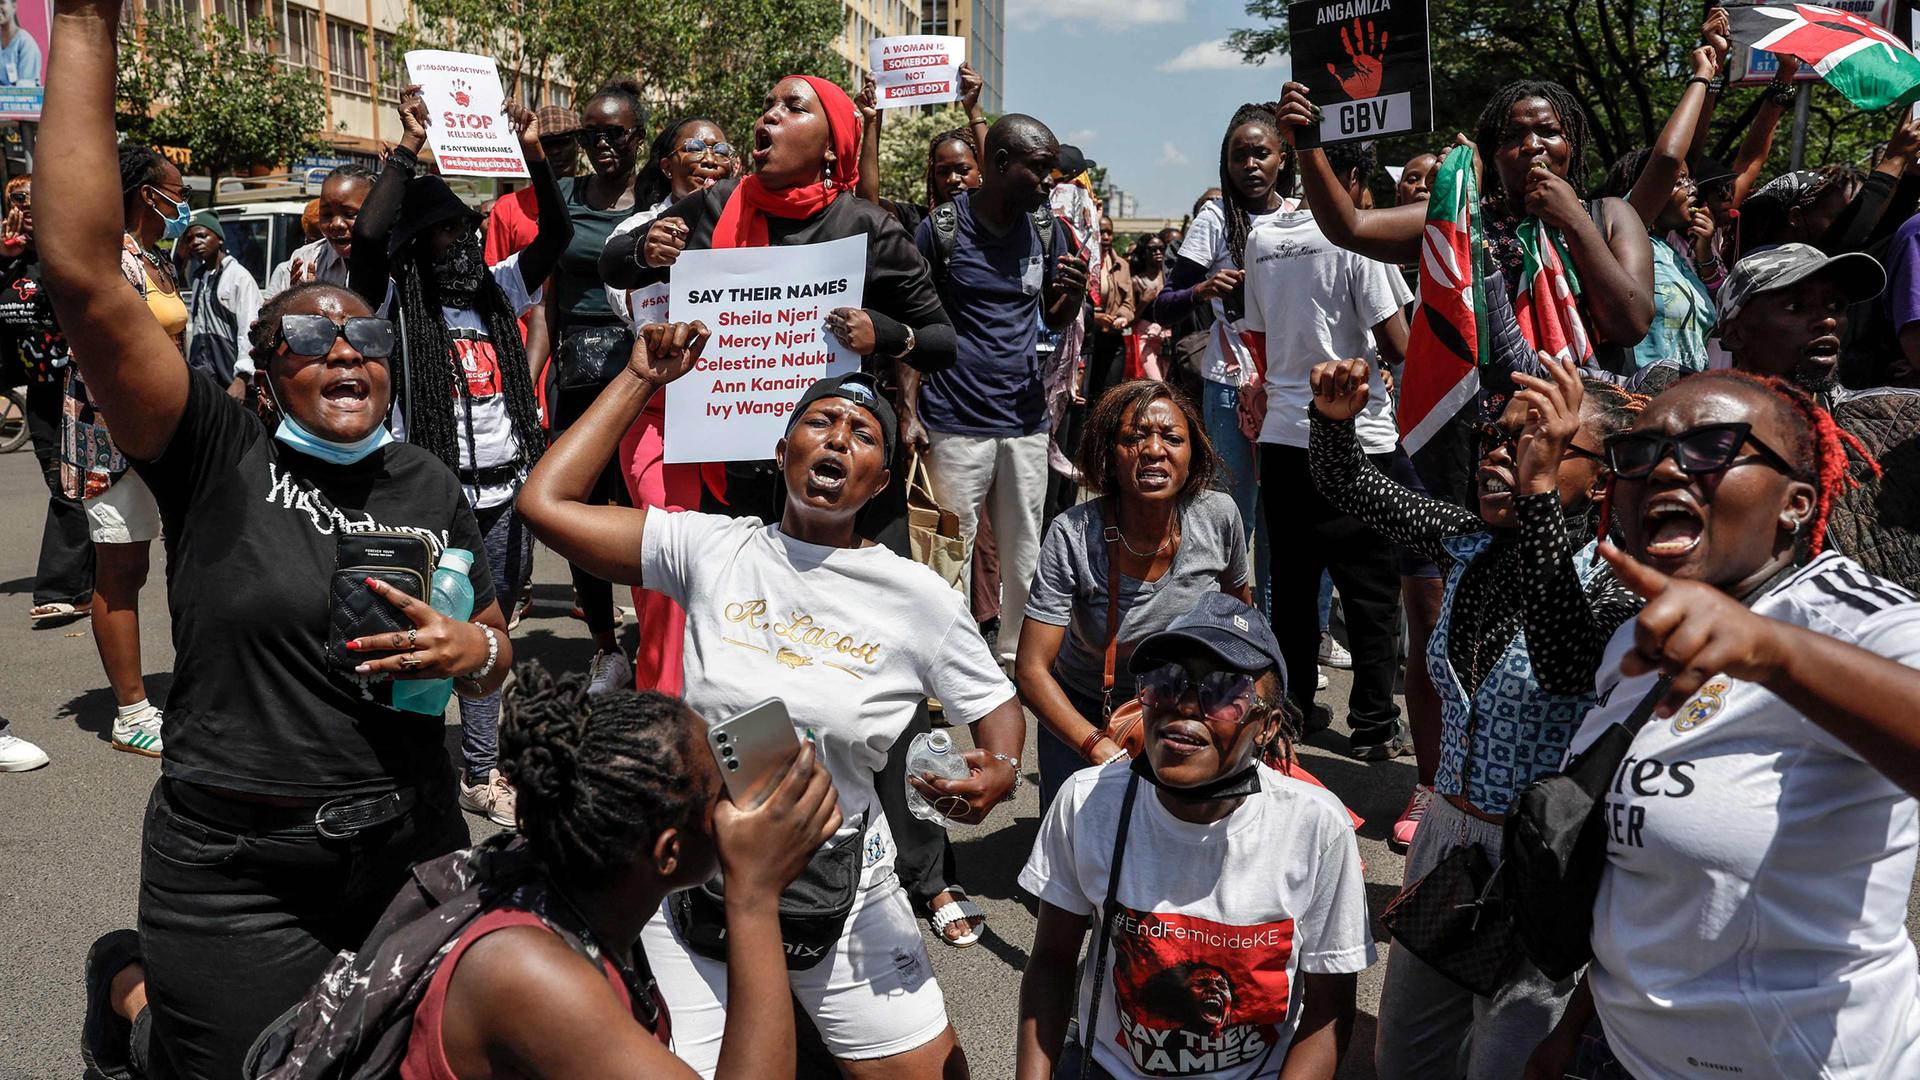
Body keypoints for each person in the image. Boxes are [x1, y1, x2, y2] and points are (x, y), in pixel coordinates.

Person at [47, 16, 520, 1080]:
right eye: (307, 336)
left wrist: (471, 655)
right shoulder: (216, 453)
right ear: (266, 376)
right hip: (235, 868)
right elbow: (83, 272)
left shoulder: (428, 483)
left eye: (361, 337)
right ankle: (131, 997)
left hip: (409, 846)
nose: (342, 347)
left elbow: (492, 635)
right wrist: (83, 22)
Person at [518, 322, 1025, 1080]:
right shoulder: (714, 548)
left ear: (880, 481)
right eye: (818, 423)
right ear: (783, 452)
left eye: (861, 434)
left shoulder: (917, 596)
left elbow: (993, 704)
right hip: (698, 870)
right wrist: (640, 380)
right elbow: (545, 504)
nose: (837, 439)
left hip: (842, 880)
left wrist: (1002, 769)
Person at [1524, 371, 1920, 1080]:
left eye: (1714, 446)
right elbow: (1648, 880)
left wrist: (1773, 654)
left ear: (1796, 503)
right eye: (1641, 453)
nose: (1668, 467)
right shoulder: (1638, 639)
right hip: (1621, 1056)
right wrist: (1574, 1034)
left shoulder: (1864, 628)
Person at [1310, 356, 1646, 1077]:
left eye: (1537, 444)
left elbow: (1562, 665)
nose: (1502, 454)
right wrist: (1333, 425)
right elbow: (1352, 486)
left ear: (1600, 477)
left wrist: (1536, 506)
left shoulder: (1619, 586)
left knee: (1506, 1059)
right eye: (1498, 437)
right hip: (1444, 843)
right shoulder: (1465, 539)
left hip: (1540, 860)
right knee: (1407, 1051)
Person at [393, 664, 843, 1080]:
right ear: (669, 852)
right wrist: (755, 894)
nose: (738, 800)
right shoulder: (528, 976)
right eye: (721, 791)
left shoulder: (577, 890)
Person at [1016, 593, 1373, 1080]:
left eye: (1225, 692)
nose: (1184, 705)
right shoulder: (1088, 802)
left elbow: (1328, 1012)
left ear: (1268, 726)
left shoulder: (1316, 827)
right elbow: (1053, 962)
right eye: (1166, 682)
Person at [598, 74, 958, 525]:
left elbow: (942, 343)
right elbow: (613, 264)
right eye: (769, 104)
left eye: (794, 107)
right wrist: (644, 248)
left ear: (831, 147)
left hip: (830, 476)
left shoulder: (869, 228)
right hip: (728, 463)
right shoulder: (715, 203)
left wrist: (883, 334)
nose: (771, 114)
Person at [347, 85, 563, 827]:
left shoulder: (498, 291)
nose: (462, 244)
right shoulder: (394, 303)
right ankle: (401, 765)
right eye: (442, 235)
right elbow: (370, 239)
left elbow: (556, 236)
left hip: (502, 495)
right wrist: (409, 149)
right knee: (410, 637)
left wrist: (532, 156)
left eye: (465, 232)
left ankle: (479, 770)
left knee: (487, 640)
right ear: (416, 249)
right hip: (429, 499)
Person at [1223, 116, 1415, 762]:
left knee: (1294, 584)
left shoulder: (1261, 238)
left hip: (1283, 434)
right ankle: (1371, 724)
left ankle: (1293, 709)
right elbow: (1398, 345)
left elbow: (1256, 333)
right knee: (1369, 587)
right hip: (1361, 432)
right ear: (1354, 178)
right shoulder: (1359, 243)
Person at [1277, 78, 1654, 382]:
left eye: (1548, 131)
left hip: (1592, 431)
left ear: (1571, 144)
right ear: (1491, 156)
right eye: (1512, 137)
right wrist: (1309, 145)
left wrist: (1572, 219)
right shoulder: (1464, 222)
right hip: (1493, 440)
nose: (1531, 146)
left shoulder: (1610, 215)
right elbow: (1350, 228)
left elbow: (1631, 325)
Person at [899, 114, 1089, 671]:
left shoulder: (1048, 229)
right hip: (954, 421)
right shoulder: (941, 229)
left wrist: (1071, 299)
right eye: (1039, 167)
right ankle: (947, 669)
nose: (1050, 179)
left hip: (1026, 422)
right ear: (1002, 165)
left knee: (1025, 554)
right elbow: (912, 327)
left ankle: (1019, 662)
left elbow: (1051, 322)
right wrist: (910, 412)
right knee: (946, 556)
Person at [1017, 379, 1249, 809]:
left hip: (1187, 706)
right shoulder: (1072, 534)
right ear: (1109, 455)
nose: (1154, 449)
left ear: (1192, 452)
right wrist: (1093, 744)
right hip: (1087, 711)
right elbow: (1031, 671)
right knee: (1081, 848)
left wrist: (1252, 717)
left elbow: (1243, 629)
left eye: (1172, 438)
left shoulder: (1219, 515)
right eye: (1134, 437)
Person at [66, 141, 190, 759]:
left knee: (155, 566)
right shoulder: (106, 258)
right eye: (177, 192)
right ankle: (131, 711)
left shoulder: (154, 256)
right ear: (148, 193)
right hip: (115, 441)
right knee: (120, 573)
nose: (183, 202)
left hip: (165, 435)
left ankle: (173, 691)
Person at [603, 115, 733, 697]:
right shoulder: (637, 230)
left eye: (720, 147)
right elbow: (618, 276)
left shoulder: (755, 229)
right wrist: (647, 250)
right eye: (695, 146)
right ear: (666, 163)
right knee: (669, 554)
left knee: (723, 570)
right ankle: (661, 703)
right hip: (659, 418)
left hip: (740, 420)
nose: (709, 154)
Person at [1152, 104, 1294, 625]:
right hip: (1230, 386)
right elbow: (1163, 305)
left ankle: (1286, 637)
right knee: (1229, 513)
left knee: (1283, 517)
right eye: (1240, 156)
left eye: (1262, 153)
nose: (1251, 165)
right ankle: (1218, 628)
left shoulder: (1302, 215)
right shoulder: (1215, 219)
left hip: (1290, 389)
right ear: (1225, 163)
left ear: (1283, 157)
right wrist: (1202, 288)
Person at [1600, 24, 1727, 373]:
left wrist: (1717, 69)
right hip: (1640, 409)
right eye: (1679, 182)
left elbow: (1683, 160)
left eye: (1690, 180)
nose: (1692, 188)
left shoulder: (1677, 257)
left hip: (1689, 410)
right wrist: (1701, 76)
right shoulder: (1627, 232)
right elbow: (1670, 159)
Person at [0, 173, 95, 627]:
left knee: (68, 485)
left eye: (35, 201)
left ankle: (63, 588)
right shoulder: (11, 261)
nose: (26, 209)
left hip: (83, 386)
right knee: (65, 486)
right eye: (17, 202)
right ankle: (88, 580)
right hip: (39, 392)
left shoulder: (71, 249)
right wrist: (6, 258)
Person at [1717, 243, 1886, 402]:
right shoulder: (1701, 422)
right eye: (1795, 306)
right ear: (1734, 335)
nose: (1828, 321)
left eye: (1836, 305)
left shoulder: (1878, 423)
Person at [854, 62, 988, 238]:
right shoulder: (921, 221)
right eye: (942, 172)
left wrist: (973, 109)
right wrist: (872, 120)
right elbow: (868, 204)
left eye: (963, 170)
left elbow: (997, 174)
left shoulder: (997, 218)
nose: (953, 179)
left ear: (980, 170)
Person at [182, 210, 263, 396]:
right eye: (190, 239)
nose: (195, 242)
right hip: (205, 380)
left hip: (231, 380)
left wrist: (241, 379)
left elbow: (249, 330)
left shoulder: (238, 277)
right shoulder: (198, 279)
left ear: (219, 239)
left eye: (202, 235)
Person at [264, 164, 372, 299]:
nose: (336, 224)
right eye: (327, 215)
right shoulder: (304, 260)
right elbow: (265, 316)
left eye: (349, 214)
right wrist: (296, 304)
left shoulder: (396, 262)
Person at [1128, 232, 1169, 381]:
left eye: (1161, 248)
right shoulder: (1136, 281)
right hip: (1145, 340)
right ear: (1144, 253)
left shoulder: (1169, 279)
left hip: (1167, 342)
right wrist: (1144, 302)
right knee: (1156, 382)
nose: (1158, 252)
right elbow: (1130, 319)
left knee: (1170, 382)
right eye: (1152, 249)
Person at [0, 0, 41, 87]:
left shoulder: (26, 44)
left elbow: (26, 90)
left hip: (21, 99)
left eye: (2, 2)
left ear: (14, 6)